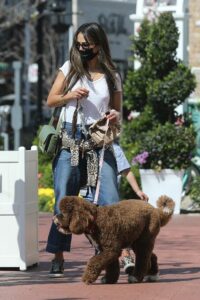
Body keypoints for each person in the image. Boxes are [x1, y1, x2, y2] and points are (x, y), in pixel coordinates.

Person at [46, 22, 122, 277]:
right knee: (64, 197)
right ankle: (57, 255)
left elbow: (119, 111)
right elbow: (51, 100)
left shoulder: (112, 74)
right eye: (78, 44)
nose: (82, 49)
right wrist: (70, 96)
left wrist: (114, 115)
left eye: (86, 45)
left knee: (110, 199)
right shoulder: (69, 68)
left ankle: (108, 254)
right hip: (70, 138)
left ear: (99, 45)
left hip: (99, 141)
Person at [112, 142, 149, 275]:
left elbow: (126, 171)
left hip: (111, 199)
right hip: (92, 199)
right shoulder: (86, 146)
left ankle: (126, 255)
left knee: (120, 229)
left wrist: (138, 191)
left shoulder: (114, 149)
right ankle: (107, 262)